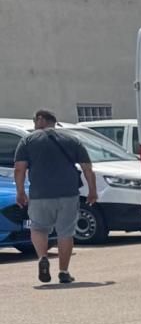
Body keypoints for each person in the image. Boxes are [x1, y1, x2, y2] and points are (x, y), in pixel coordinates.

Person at [12, 110, 95, 286]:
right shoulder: (72, 140)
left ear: (41, 119)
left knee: (38, 228)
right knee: (66, 232)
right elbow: (87, 168)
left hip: (39, 194)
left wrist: (20, 192)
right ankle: (64, 272)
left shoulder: (27, 141)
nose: (34, 124)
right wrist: (92, 191)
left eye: (35, 121)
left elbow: (19, 169)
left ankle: (43, 257)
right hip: (69, 194)